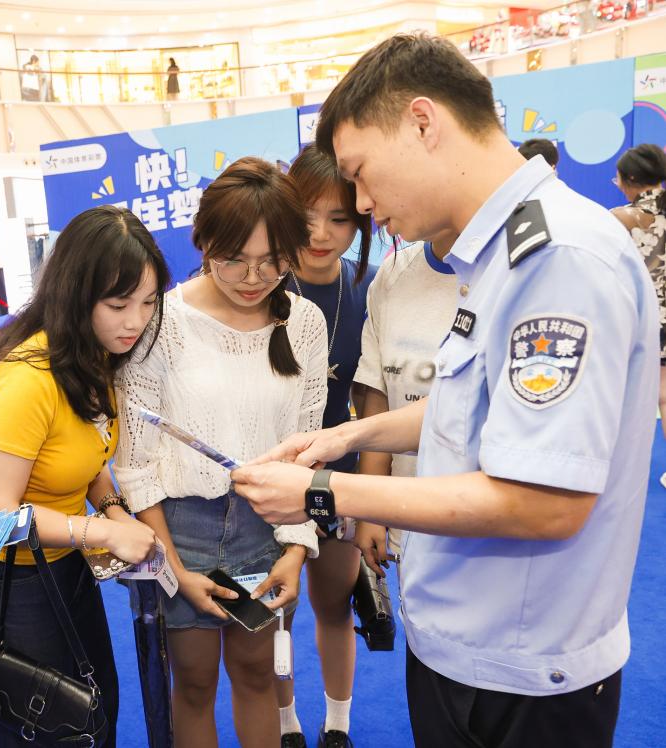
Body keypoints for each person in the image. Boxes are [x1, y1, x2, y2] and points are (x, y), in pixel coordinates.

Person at [231, 33, 658, 748]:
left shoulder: (557, 260)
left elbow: (544, 502)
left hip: (519, 675)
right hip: (468, 650)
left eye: (361, 174)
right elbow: (474, 407)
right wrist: (349, 436)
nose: (363, 204)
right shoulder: (498, 254)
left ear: (423, 123)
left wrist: (323, 492)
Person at [114, 156, 326, 748]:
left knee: (258, 675)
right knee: (194, 682)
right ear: (203, 242)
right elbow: (136, 461)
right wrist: (174, 569)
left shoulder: (304, 322)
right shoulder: (161, 321)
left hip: (268, 526)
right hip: (180, 529)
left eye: (273, 260)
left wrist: (296, 550)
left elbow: (308, 449)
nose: (254, 277)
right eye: (233, 258)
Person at [0, 205, 168, 747]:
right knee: (50, 731)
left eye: (148, 303)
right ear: (76, 295)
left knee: (95, 718)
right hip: (16, 584)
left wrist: (113, 509)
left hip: (67, 568)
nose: (135, 321)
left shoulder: (94, 356)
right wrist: (102, 531)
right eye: (118, 305)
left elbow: (87, 454)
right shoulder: (27, 378)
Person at [271, 143, 374, 748]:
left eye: (339, 219)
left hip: (339, 478)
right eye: (307, 216)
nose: (320, 233)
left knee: (335, 605)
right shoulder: (260, 286)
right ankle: (285, 724)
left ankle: (338, 723)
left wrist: (371, 495)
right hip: (271, 480)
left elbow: (372, 398)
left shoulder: (368, 289)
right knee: (275, 612)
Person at [351, 231, 459, 576]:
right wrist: (372, 508)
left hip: (484, 532)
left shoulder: (510, 270)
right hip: (408, 514)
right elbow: (378, 395)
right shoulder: (394, 271)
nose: (366, 207)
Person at [610, 143, 666, 485]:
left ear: (630, 179)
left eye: (618, 178)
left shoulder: (621, 218)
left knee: (627, 394)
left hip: (637, 318)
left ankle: (619, 470)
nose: (617, 184)